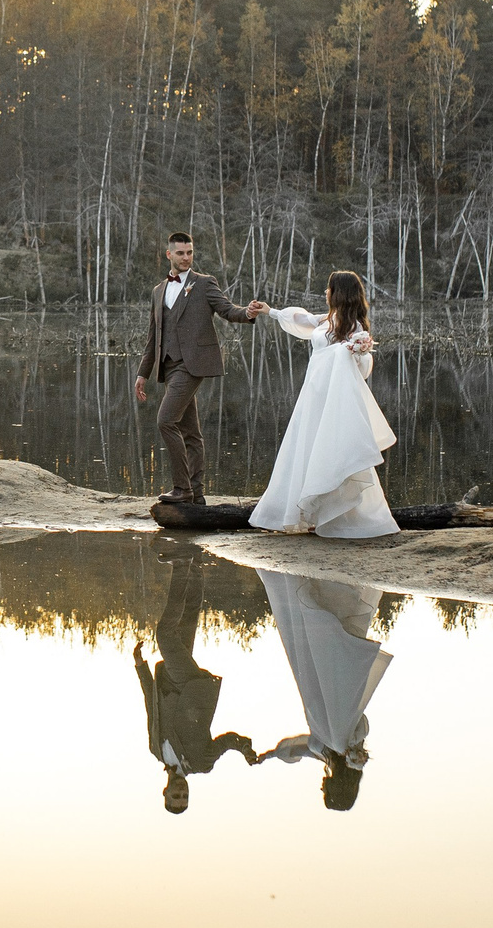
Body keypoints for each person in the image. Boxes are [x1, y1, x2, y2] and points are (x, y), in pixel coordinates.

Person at [248, 270, 399, 538]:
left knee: (332, 451)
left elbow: (361, 369)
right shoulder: (328, 320)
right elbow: (303, 320)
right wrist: (270, 312)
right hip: (314, 396)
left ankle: (344, 516)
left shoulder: (355, 330)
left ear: (338, 292)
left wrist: (354, 351)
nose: (325, 293)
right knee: (307, 448)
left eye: (329, 289)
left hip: (334, 402)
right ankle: (307, 514)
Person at [133, 231, 267, 505]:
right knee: (191, 432)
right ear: (169, 254)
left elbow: (228, 310)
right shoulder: (158, 291)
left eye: (190, 252)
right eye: (180, 253)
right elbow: (152, 337)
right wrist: (142, 374)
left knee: (165, 420)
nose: (186, 257)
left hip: (192, 365)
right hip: (168, 367)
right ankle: (197, 492)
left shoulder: (204, 284)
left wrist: (248, 313)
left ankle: (182, 489)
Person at [255, 566, 394, 812]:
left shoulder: (332, 750)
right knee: (316, 626)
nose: (321, 787)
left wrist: (270, 755)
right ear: (335, 784)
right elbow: (308, 744)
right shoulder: (340, 742)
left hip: (322, 677)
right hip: (325, 676)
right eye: (326, 790)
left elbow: (298, 748)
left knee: (326, 625)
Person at [134, 552, 260, 812]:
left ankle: (195, 566)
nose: (181, 793)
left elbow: (152, 708)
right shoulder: (203, 763)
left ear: (165, 792)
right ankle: (181, 565)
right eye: (184, 797)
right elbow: (227, 741)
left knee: (187, 619)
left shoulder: (155, 751)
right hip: (193, 688)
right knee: (165, 634)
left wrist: (140, 666)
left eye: (175, 796)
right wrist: (245, 748)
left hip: (170, 680)